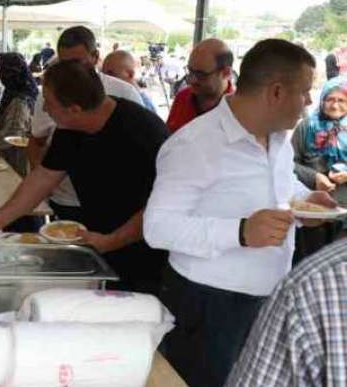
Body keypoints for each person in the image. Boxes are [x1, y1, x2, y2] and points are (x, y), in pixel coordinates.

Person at [143, 39, 335, 387]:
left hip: (268, 293)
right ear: (276, 92)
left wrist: (307, 200)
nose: (309, 102)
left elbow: (279, 185)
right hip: (209, 304)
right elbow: (157, 227)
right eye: (304, 92)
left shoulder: (276, 137)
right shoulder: (194, 144)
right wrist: (241, 231)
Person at [0, 60, 168, 293]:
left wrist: (111, 241)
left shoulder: (145, 132)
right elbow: (43, 177)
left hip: (143, 253)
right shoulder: (70, 128)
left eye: (49, 104)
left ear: (74, 109)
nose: (44, 110)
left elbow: (161, 206)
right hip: (96, 240)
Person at [27, 26, 144, 223]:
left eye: (77, 62)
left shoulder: (124, 93)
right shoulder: (49, 97)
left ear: (95, 56)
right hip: (66, 200)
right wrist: (45, 186)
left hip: (115, 202)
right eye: (64, 63)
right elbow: (36, 143)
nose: (70, 71)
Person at [225, 239, 347, 386]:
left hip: (272, 285)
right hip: (218, 289)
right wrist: (241, 232)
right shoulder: (312, 290)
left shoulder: (311, 291)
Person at [291, 76, 347, 262]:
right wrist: (314, 176)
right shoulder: (306, 127)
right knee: (311, 264)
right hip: (313, 215)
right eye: (330, 99)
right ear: (322, 100)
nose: (335, 105)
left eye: (341, 100)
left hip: (344, 214)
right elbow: (288, 163)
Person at [166, 38, 234, 133]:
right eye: (190, 71)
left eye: (201, 75)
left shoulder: (239, 110)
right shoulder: (182, 97)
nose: (191, 80)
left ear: (226, 73)